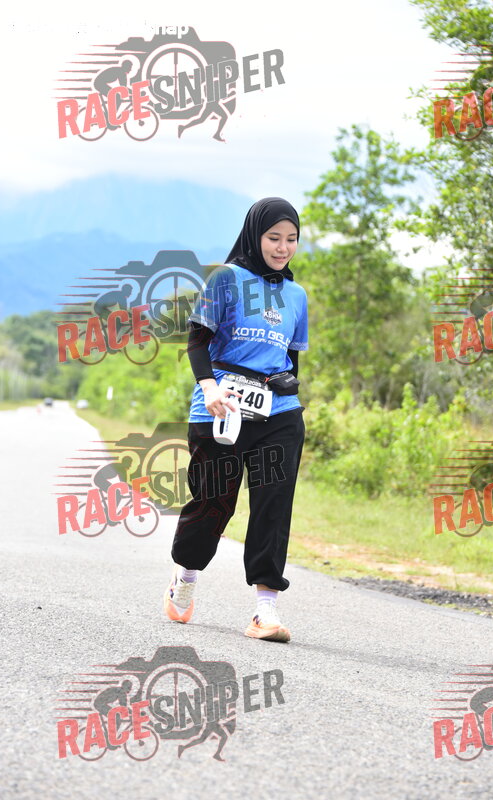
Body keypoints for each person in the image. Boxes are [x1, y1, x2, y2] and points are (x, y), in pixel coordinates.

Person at [163, 197, 308, 642]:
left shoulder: (297, 295)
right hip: (221, 407)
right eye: (273, 238)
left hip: (277, 413)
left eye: (291, 239)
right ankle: (186, 576)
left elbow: (292, 359)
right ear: (254, 236)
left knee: (273, 505)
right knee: (214, 502)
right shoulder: (226, 279)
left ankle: (266, 611)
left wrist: (287, 391)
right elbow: (197, 341)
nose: (282, 248)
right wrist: (209, 388)